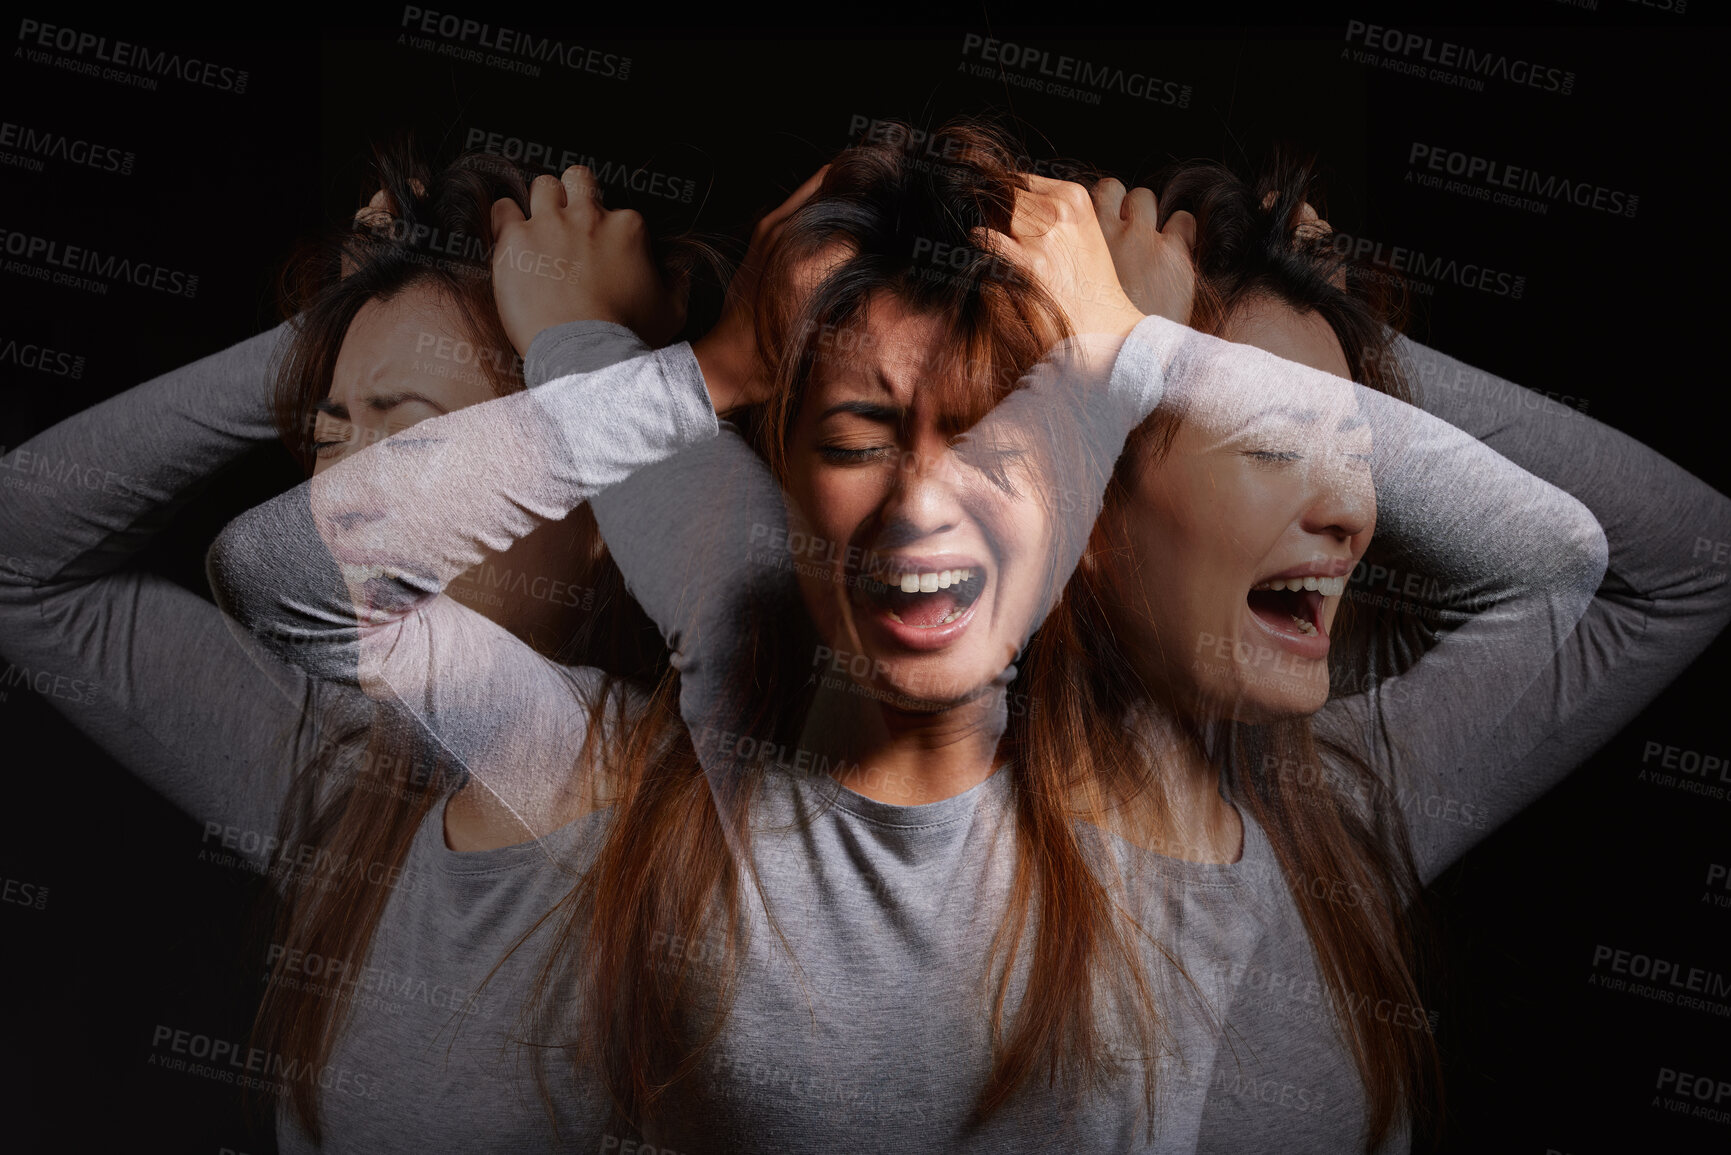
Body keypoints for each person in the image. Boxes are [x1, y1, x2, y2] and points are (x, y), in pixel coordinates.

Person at [211, 120, 1639, 1154]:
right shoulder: (723, 671)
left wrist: (1165, 343)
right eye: (855, 437)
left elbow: (1583, 560)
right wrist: (688, 365)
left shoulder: (1201, 810)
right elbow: (292, 574)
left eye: (992, 442)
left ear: (1081, 493)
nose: (919, 501)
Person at [0, 143, 686, 1152]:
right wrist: (323, 330)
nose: (333, 507)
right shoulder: (349, 778)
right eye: (329, 440)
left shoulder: (717, 832)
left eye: (409, 438)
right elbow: (22, 563)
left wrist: (593, 352)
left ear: (595, 509)